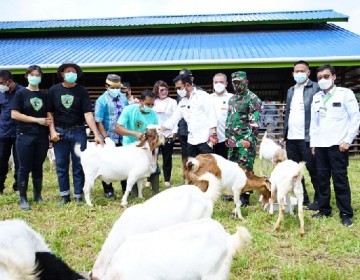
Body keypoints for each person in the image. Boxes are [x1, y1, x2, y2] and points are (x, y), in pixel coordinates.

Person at [310, 64, 360, 227]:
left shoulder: (345, 94)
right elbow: (314, 122)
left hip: (338, 146)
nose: (323, 80)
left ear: (334, 77)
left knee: (340, 179)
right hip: (320, 145)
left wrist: (348, 140)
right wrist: (313, 143)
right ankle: (324, 209)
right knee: (322, 179)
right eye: (319, 78)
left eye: (326, 76)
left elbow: (355, 118)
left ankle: (345, 213)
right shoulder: (316, 97)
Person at [47, 61, 103, 205]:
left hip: (78, 131)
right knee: (61, 165)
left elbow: (88, 114)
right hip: (60, 132)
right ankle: (64, 196)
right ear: (62, 74)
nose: (71, 74)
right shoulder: (54, 90)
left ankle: (78, 195)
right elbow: (50, 113)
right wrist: (52, 131)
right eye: (68, 71)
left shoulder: (82, 91)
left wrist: (96, 134)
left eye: (74, 71)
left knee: (79, 165)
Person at [10, 65, 51, 210]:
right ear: (27, 76)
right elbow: (14, 114)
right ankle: (22, 197)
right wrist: (36, 120)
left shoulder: (44, 95)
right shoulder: (20, 94)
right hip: (24, 135)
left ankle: (37, 195)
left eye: (38, 74)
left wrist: (50, 133)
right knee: (24, 167)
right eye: (32, 74)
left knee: (38, 166)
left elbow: (49, 115)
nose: (35, 77)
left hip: (41, 136)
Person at [283, 60, 320, 209]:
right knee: (295, 171)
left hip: (307, 137)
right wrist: (285, 134)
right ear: (293, 74)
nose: (299, 73)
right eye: (296, 71)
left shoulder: (316, 88)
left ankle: (319, 199)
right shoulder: (291, 90)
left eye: (302, 71)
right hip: (291, 138)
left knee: (313, 169)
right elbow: (288, 113)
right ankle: (302, 197)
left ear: (308, 73)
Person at [225, 71, 261, 206]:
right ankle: (234, 192)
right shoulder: (232, 99)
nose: (237, 85)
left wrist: (249, 139)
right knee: (233, 168)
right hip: (232, 141)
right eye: (234, 82)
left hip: (245, 141)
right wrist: (228, 138)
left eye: (239, 82)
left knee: (246, 168)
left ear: (246, 82)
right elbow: (229, 119)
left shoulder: (253, 98)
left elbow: (255, 122)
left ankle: (245, 195)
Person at [115, 89, 160, 195]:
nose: (150, 107)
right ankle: (133, 193)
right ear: (141, 101)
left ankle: (156, 192)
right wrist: (134, 133)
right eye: (148, 104)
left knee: (154, 167)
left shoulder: (153, 115)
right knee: (132, 169)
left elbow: (155, 133)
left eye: (152, 104)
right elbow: (117, 128)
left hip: (146, 146)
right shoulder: (129, 110)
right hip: (129, 145)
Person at [163, 73, 218, 157]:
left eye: (179, 88)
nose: (177, 90)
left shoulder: (203, 96)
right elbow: (174, 119)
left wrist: (213, 135)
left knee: (208, 168)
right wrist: (159, 129)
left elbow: (212, 115)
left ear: (187, 85)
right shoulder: (182, 102)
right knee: (193, 167)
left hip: (205, 140)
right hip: (192, 140)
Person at [94, 74, 126, 199]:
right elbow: (98, 121)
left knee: (124, 163)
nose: (115, 89)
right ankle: (108, 190)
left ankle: (125, 188)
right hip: (109, 137)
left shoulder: (123, 98)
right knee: (108, 163)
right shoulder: (101, 101)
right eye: (113, 87)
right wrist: (105, 137)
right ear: (106, 86)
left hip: (123, 137)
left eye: (117, 87)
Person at [0, 70, 23, 195]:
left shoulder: (22, 92)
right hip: (3, 132)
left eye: (1, 82)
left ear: (9, 81)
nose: (0, 85)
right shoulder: (0, 93)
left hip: (20, 132)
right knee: (1, 160)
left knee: (20, 161)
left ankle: (18, 186)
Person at [152, 80, 177, 188]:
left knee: (167, 158)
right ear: (157, 91)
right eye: (162, 90)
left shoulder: (172, 102)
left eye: (166, 89)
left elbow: (176, 117)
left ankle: (167, 179)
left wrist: (174, 132)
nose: (164, 92)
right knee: (153, 157)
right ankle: (151, 178)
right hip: (155, 134)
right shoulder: (153, 101)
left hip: (167, 134)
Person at [210, 73, 233, 159]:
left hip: (226, 138)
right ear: (213, 83)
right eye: (216, 82)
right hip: (211, 139)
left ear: (226, 84)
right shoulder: (208, 98)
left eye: (221, 82)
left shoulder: (231, 98)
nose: (218, 84)